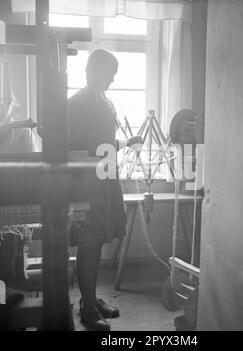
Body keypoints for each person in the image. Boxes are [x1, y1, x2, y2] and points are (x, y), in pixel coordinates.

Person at [68, 49, 141, 331]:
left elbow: (103, 141)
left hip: (106, 180)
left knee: (95, 245)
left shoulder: (105, 101)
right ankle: (87, 308)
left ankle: (90, 298)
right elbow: (74, 147)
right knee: (89, 244)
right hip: (88, 184)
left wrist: (124, 143)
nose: (113, 78)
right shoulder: (76, 103)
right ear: (93, 71)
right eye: (109, 73)